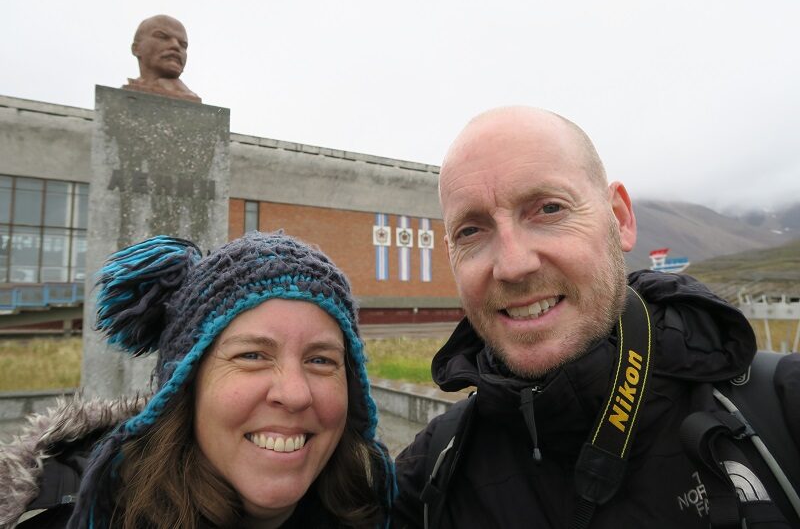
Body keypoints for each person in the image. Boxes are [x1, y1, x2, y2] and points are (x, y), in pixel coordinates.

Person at [392, 107, 800, 528]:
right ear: (451, 257)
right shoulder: (429, 476)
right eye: (471, 231)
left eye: (548, 209)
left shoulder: (781, 410)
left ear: (619, 219)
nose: (512, 265)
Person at [0, 232, 395, 528]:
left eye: (321, 360)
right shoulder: (60, 513)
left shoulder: (388, 507)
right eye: (252, 355)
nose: (293, 393)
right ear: (185, 382)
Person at [122, 14, 201, 103]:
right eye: (162, 36)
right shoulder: (118, 98)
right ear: (136, 48)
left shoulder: (190, 98)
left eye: (183, 45)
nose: (175, 46)